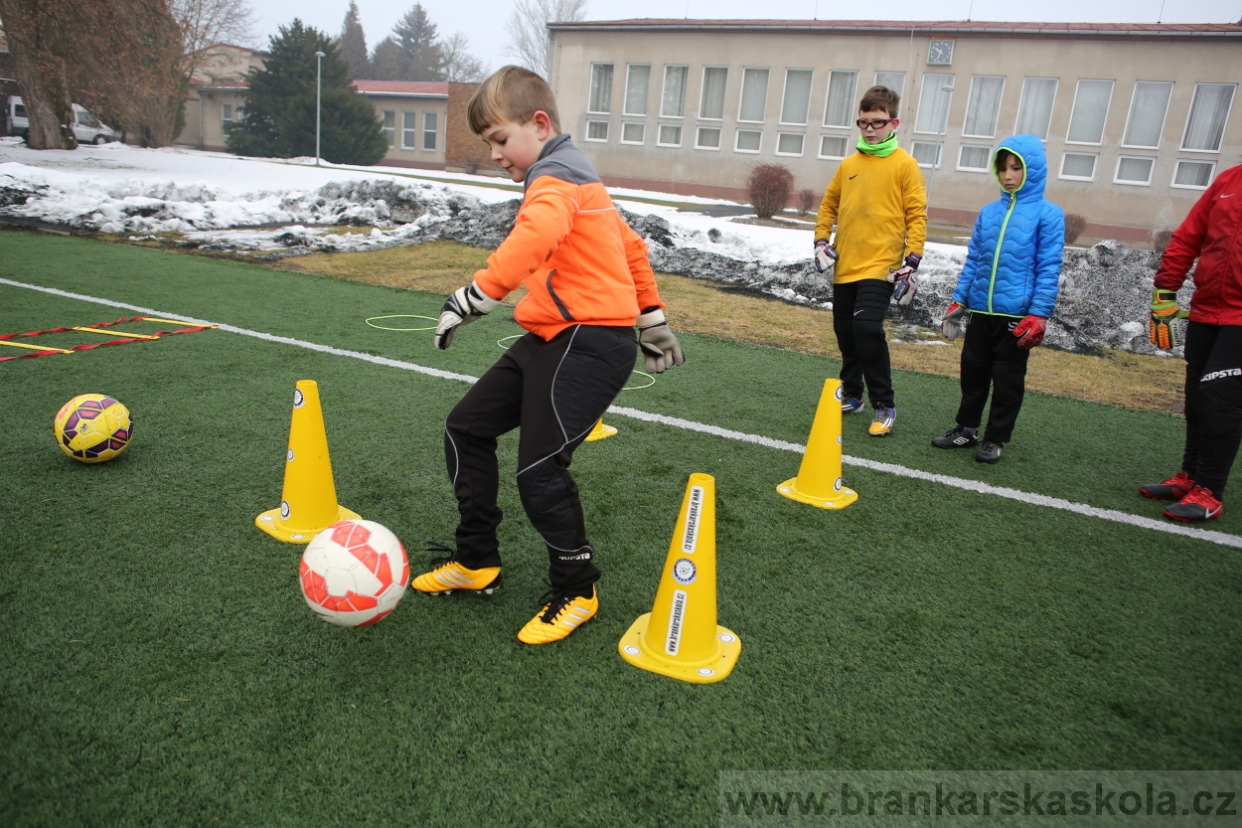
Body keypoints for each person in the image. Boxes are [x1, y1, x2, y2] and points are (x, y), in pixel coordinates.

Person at [414, 65, 685, 643]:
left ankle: (577, 587)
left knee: (539, 470)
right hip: (553, 335)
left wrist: (473, 297)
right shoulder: (579, 179)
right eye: (489, 144)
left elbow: (532, 238)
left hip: (588, 341)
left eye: (499, 140)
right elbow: (630, 247)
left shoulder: (555, 178)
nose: (494, 155)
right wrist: (654, 319)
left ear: (539, 125)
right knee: (465, 428)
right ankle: (476, 559)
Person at [931, 135, 1064, 463]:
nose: (1008, 175)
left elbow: (1048, 268)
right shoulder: (989, 213)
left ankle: (995, 438)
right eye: (1003, 168)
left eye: (1016, 168)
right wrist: (959, 303)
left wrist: (1039, 313)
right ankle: (966, 429)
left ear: (1031, 170)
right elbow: (974, 261)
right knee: (972, 372)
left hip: (1016, 318)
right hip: (981, 312)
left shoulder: (1048, 216)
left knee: (1007, 381)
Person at [814, 85, 927, 437]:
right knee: (846, 333)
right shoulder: (848, 164)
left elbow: (917, 214)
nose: (869, 129)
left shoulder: (905, 165)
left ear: (894, 122)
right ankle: (853, 394)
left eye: (876, 123)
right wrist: (820, 240)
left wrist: (913, 258)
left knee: (866, 330)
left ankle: (884, 404)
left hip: (882, 267)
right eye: (862, 122)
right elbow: (829, 205)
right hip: (846, 264)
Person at [1139, 162, 1242, 523]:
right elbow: (1189, 236)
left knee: (1220, 402)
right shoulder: (1229, 180)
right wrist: (1166, 290)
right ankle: (1191, 477)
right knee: (1197, 398)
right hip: (1206, 310)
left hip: (1240, 320)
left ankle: (1210, 491)